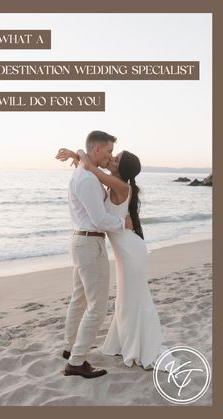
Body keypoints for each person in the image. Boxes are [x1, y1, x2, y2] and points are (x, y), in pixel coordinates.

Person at [57, 145, 179, 372]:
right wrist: (79, 157)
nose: (112, 158)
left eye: (116, 159)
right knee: (126, 297)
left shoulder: (121, 185)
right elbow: (92, 171)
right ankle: (125, 341)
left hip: (131, 251)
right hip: (125, 251)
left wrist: (80, 155)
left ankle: (139, 344)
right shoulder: (112, 183)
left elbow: (93, 170)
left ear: (122, 169)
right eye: (112, 155)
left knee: (136, 297)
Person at [56, 131, 133, 379]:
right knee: (97, 308)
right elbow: (100, 219)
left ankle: (70, 348)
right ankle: (77, 362)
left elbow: (83, 156)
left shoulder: (84, 172)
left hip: (80, 242)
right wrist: (124, 224)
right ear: (97, 150)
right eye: (109, 151)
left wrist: (78, 153)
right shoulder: (88, 179)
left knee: (79, 299)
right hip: (89, 244)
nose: (111, 156)